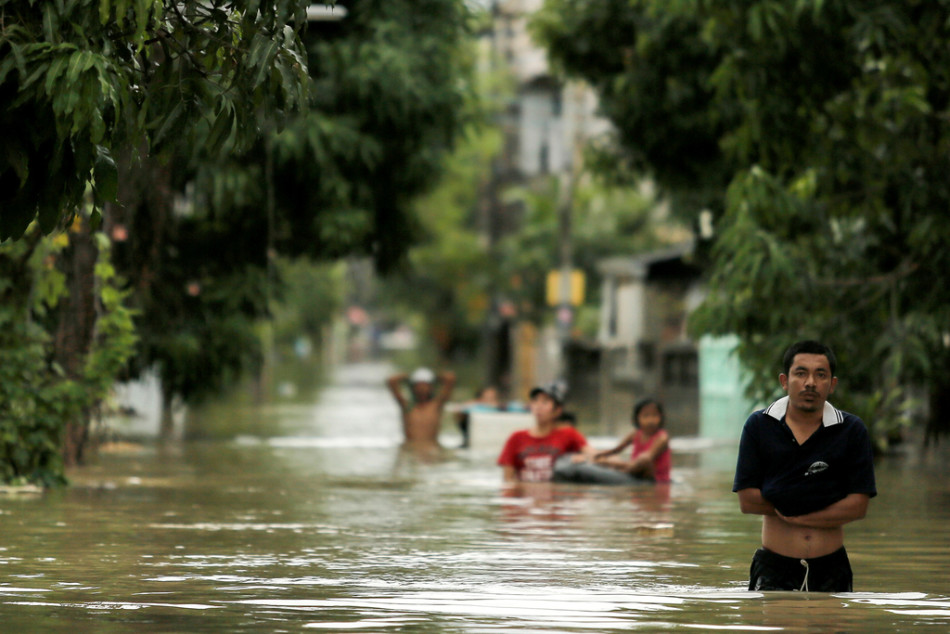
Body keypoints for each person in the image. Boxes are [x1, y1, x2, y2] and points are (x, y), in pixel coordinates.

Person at [733, 340, 877, 592]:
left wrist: (795, 513)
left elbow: (858, 506)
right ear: (784, 381)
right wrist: (816, 500)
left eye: (820, 374)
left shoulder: (851, 430)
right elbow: (748, 501)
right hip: (773, 567)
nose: (810, 382)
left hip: (831, 567)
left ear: (832, 384)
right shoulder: (759, 425)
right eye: (801, 373)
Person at [497, 383, 597, 483]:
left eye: (545, 402)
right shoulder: (516, 437)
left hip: (556, 494)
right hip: (526, 495)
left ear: (557, 410)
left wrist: (584, 458)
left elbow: (593, 454)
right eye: (535, 401)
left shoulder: (569, 434)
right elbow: (507, 481)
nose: (538, 406)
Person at [595, 398, 671, 483]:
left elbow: (647, 459)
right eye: (646, 416)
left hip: (653, 476)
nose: (650, 420)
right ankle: (620, 469)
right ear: (637, 418)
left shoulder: (662, 438)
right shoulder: (636, 434)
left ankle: (621, 472)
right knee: (613, 458)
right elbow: (616, 450)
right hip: (635, 468)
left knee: (644, 459)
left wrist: (611, 464)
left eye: (655, 416)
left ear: (661, 417)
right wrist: (599, 455)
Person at [386, 367, 456, 448]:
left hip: (432, 448)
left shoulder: (437, 405)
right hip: (410, 448)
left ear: (431, 387)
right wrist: (408, 376)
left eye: (425, 385)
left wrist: (435, 377)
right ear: (413, 387)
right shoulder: (406, 406)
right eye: (418, 385)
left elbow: (450, 378)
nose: (422, 388)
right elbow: (391, 380)